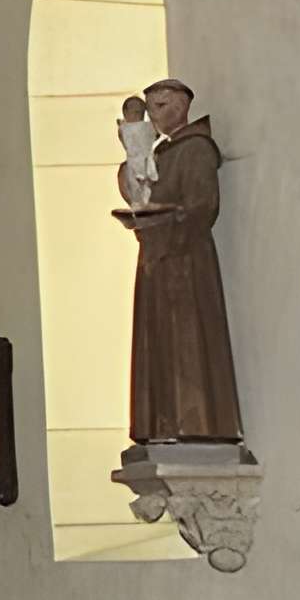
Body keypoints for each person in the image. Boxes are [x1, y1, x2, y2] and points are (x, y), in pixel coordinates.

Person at [114, 78, 242, 444]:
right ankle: (162, 422)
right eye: (151, 108)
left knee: (189, 339)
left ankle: (196, 422)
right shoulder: (163, 153)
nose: (155, 115)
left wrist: (167, 223)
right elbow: (140, 189)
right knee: (158, 342)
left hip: (186, 261)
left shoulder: (197, 149)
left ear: (183, 105)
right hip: (158, 258)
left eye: (162, 106)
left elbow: (202, 207)